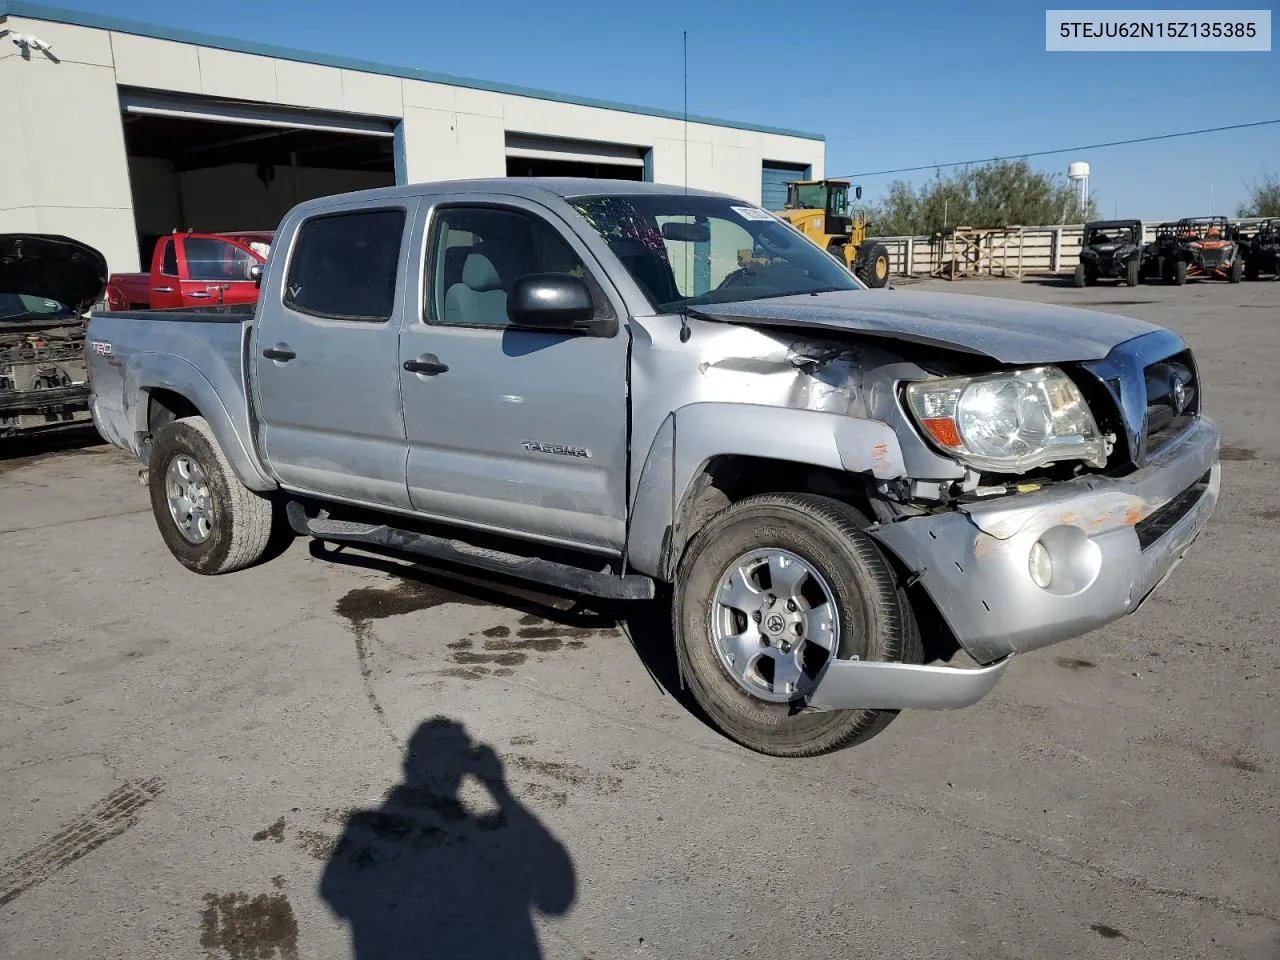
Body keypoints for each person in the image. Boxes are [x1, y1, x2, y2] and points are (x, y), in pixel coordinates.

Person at [320, 717, 576, 960]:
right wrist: (499, 791)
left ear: (409, 764)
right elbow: (556, 895)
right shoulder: (487, 838)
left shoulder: (362, 832)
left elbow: (336, 894)